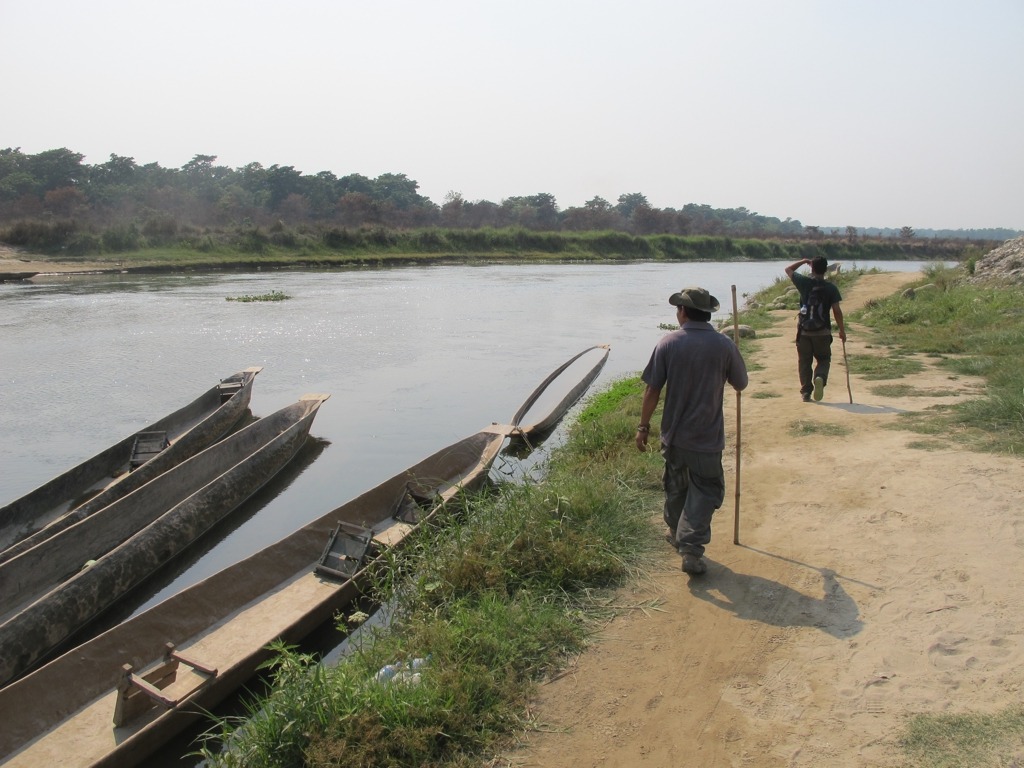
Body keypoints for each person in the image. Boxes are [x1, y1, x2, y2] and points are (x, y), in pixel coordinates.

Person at [636, 286, 748, 575]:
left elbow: (652, 390)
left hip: (674, 437)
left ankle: (677, 533)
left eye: (678, 309)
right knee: (705, 490)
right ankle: (691, 548)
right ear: (707, 313)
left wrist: (643, 427)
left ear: (683, 312)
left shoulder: (668, 343)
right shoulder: (723, 345)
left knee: (676, 486)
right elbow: (741, 383)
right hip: (707, 439)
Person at [785, 256, 846, 402]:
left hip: (804, 332)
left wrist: (803, 261)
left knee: (804, 362)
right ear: (826, 270)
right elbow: (837, 310)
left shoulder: (804, 283)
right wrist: (842, 330)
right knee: (824, 359)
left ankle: (806, 392)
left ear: (812, 268)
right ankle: (820, 377)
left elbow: (788, 269)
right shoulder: (831, 288)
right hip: (823, 332)